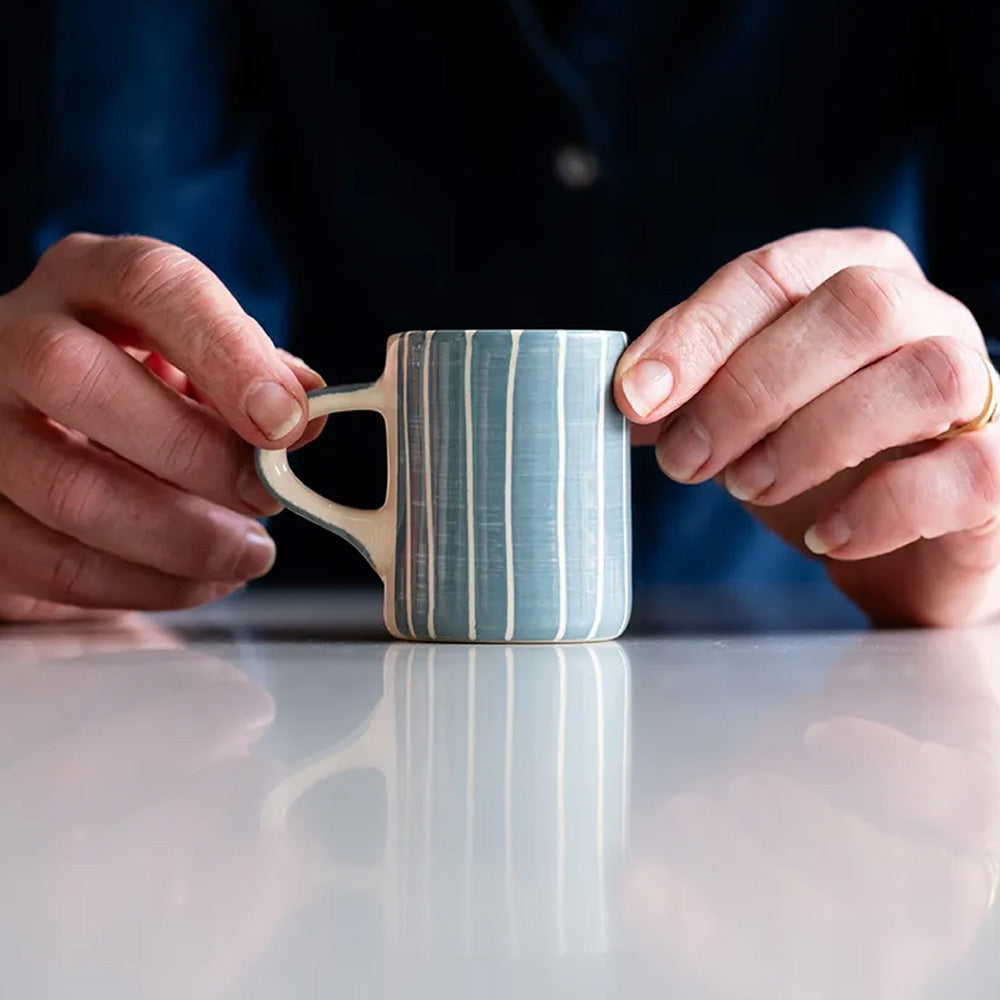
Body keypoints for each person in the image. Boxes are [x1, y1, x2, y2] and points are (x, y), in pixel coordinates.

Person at [0, 0, 996, 626]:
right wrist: (72, 438)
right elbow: (126, 257)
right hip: (274, 691)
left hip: (803, 708)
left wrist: (968, 467)